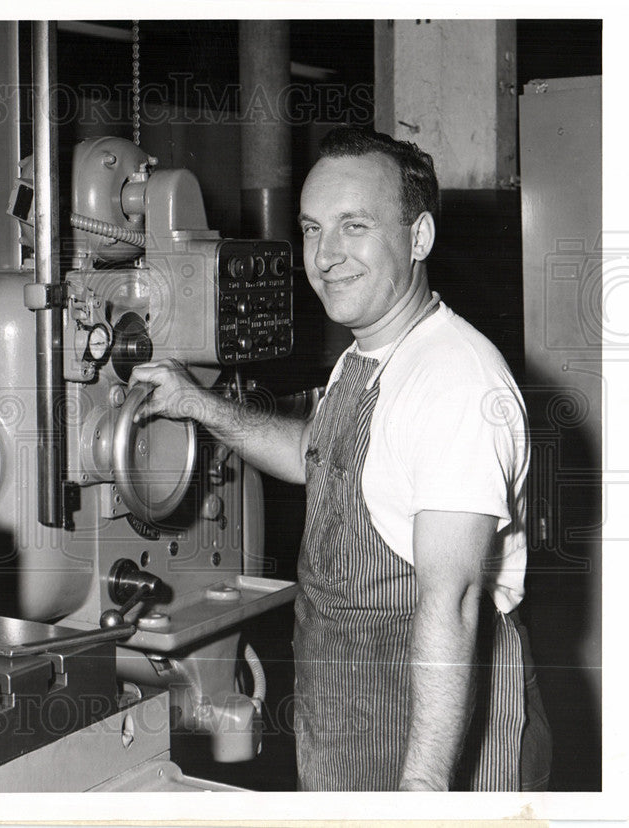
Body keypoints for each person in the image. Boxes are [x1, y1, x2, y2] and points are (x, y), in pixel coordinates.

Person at [130, 126, 551, 792]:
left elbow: (457, 600)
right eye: (312, 229)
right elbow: (316, 456)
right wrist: (197, 404)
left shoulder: (456, 381)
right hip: (346, 706)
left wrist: (424, 793)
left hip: (434, 726)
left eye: (354, 226)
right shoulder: (368, 355)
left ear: (418, 239)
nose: (325, 256)